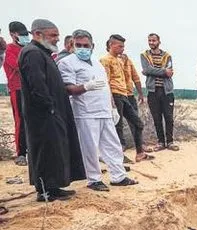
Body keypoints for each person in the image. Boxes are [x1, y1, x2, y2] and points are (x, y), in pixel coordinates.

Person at [58, 29, 138, 192]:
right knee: (90, 147)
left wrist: (112, 107)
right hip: (85, 112)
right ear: (72, 45)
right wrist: (85, 87)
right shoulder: (67, 63)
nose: (82, 48)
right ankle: (94, 179)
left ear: (92, 45)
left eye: (85, 45)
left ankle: (119, 176)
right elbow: (68, 88)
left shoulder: (97, 63)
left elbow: (106, 86)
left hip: (104, 110)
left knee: (113, 145)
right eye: (78, 45)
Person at [19, 19, 86, 202]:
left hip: (51, 112)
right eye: (53, 35)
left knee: (54, 149)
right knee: (44, 150)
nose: (57, 39)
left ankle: (53, 186)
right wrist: (49, 107)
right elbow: (37, 85)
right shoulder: (32, 53)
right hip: (42, 114)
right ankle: (44, 190)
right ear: (37, 34)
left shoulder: (43, 53)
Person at [101, 34, 150, 163]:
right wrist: (111, 102)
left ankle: (140, 153)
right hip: (115, 95)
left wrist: (138, 93)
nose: (122, 49)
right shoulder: (105, 60)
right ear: (111, 45)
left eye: (123, 46)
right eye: (120, 46)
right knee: (117, 127)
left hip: (124, 94)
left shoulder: (120, 60)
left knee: (138, 123)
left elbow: (134, 77)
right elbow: (106, 82)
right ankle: (117, 157)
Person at [141, 33, 178, 151]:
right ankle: (161, 142)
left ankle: (170, 142)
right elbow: (147, 69)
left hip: (167, 90)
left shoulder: (167, 56)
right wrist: (162, 71)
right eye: (149, 41)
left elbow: (170, 72)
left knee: (169, 117)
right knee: (156, 118)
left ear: (159, 42)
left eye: (154, 40)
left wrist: (150, 71)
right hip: (153, 90)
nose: (151, 43)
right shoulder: (144, 55)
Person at [3, 22, 31, 166]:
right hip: (17, 89)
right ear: (13, 34)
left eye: (26, 34)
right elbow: (19, 66)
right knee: (20, 120)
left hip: (31, 88)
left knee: (32, 119)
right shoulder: (10, 49)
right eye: (22, 34)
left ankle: (31, 150)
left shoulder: (28, 48)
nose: (25, 37)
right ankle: (20, 153)